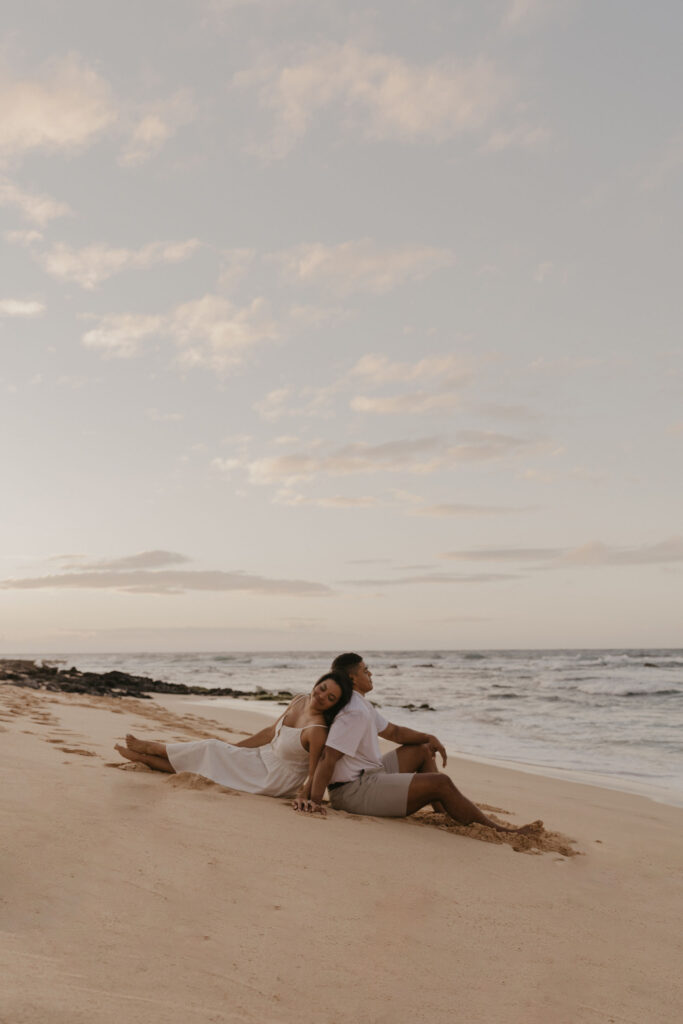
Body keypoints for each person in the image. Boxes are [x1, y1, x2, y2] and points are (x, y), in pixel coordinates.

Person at [298, 653, 536, 835]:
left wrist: (428, 737)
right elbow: (329, 758)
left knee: (421, 750)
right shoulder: (354, 711)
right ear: (353, 678)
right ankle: (499, 832)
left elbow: (395, 732)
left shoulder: (361, 705)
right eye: (365, 670)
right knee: (441, 782)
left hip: (370, 774)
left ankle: (444, 812)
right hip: (352, 791)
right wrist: (315, 802)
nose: (371, 674)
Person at [114, 670, 352, 802]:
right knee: (215, 750)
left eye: (330, 698)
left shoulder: (317, 730)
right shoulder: (299, 700)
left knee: (210, 752)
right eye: (323, 689)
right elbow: (270, 732)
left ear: (333, 705)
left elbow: (313, 773)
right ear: (317, 683)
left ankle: (151, 752)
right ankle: (148, 756)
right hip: (262, 757)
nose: (322, 697)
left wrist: (304, 796)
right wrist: (234, 748)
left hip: (274, 778)